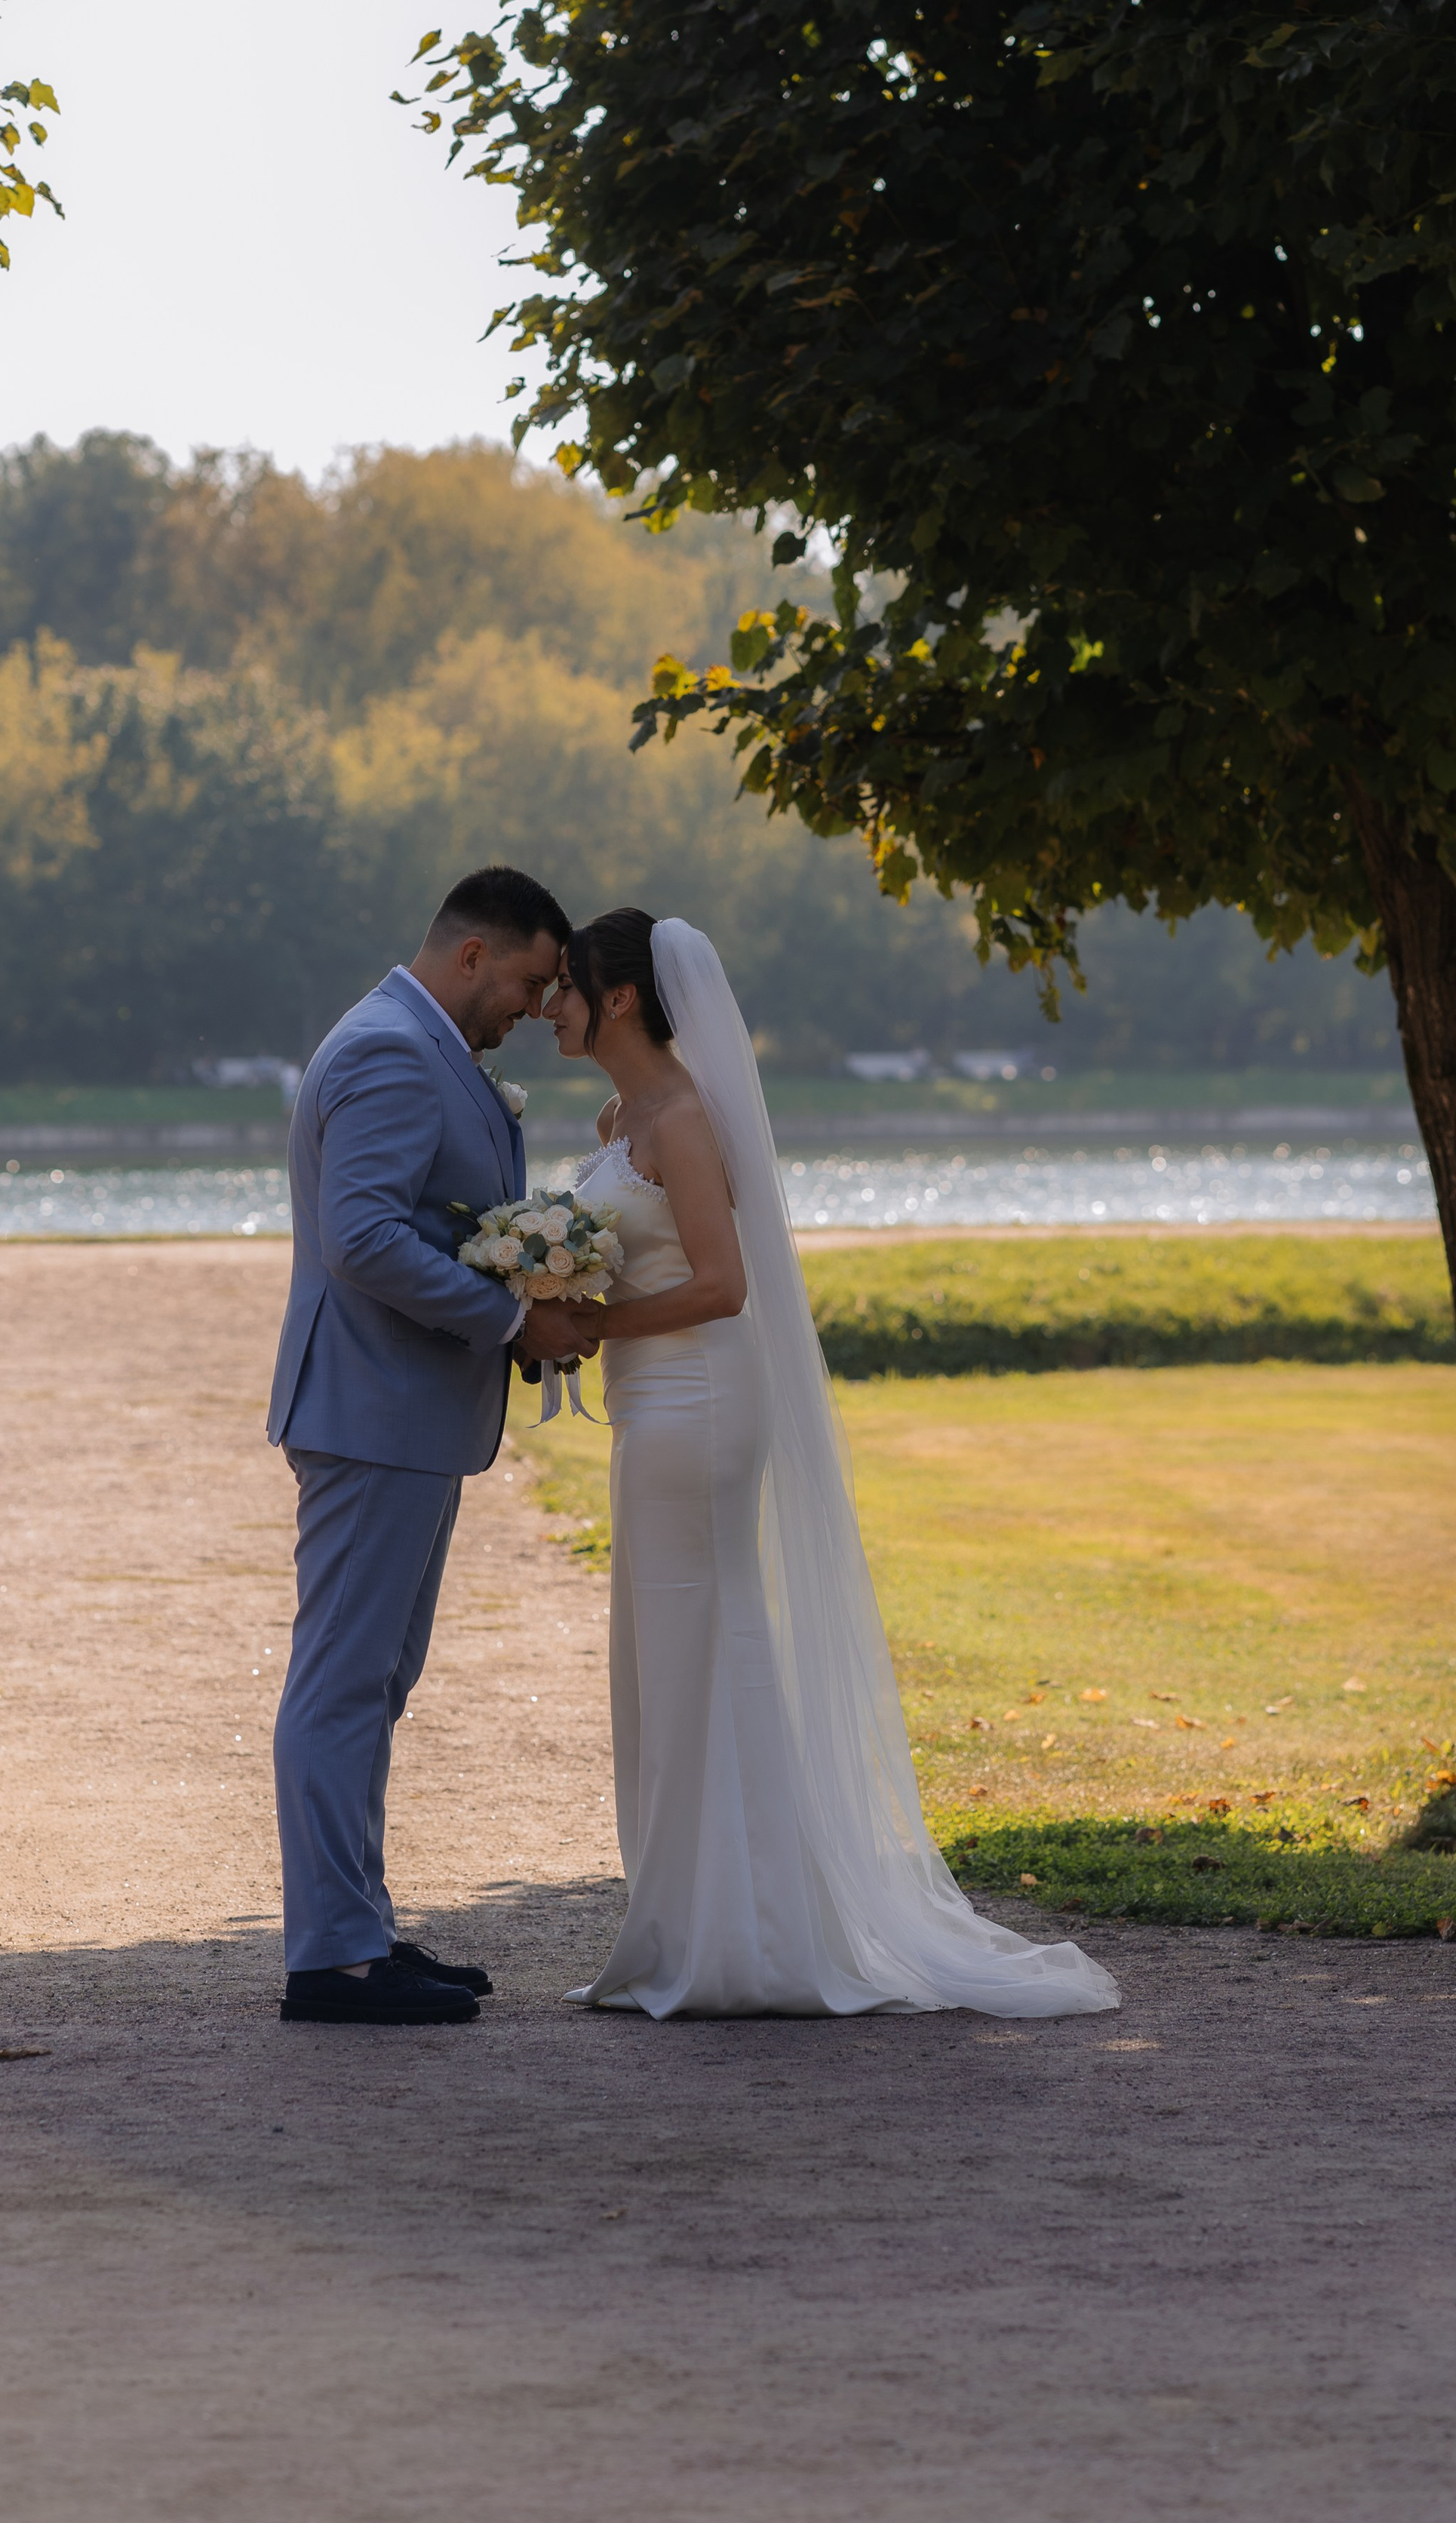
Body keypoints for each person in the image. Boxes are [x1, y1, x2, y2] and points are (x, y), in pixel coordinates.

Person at [548, 909, 1121, 2021]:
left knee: (711, 1643)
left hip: (701, 1398)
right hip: (647, 1408)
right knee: (664, 1656)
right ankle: (680, 1924)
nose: (547, 1004)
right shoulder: (618, 1114)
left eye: (564, 984)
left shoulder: (683, 1119)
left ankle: (753, 1938)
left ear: (618, 996)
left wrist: (590, 1323)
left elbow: (724, 1286)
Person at [266, 865, 601, 2026]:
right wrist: (515, 1315)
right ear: (471, 956)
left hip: (398, 1411)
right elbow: (360, 1239)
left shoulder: (419, 1044)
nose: (530, 1006)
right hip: (371, 1412)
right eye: (525, 981)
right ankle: (333, 1961)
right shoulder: (394, 1051)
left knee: (374, 1683)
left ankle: (357, 1934)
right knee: (343, 1683)